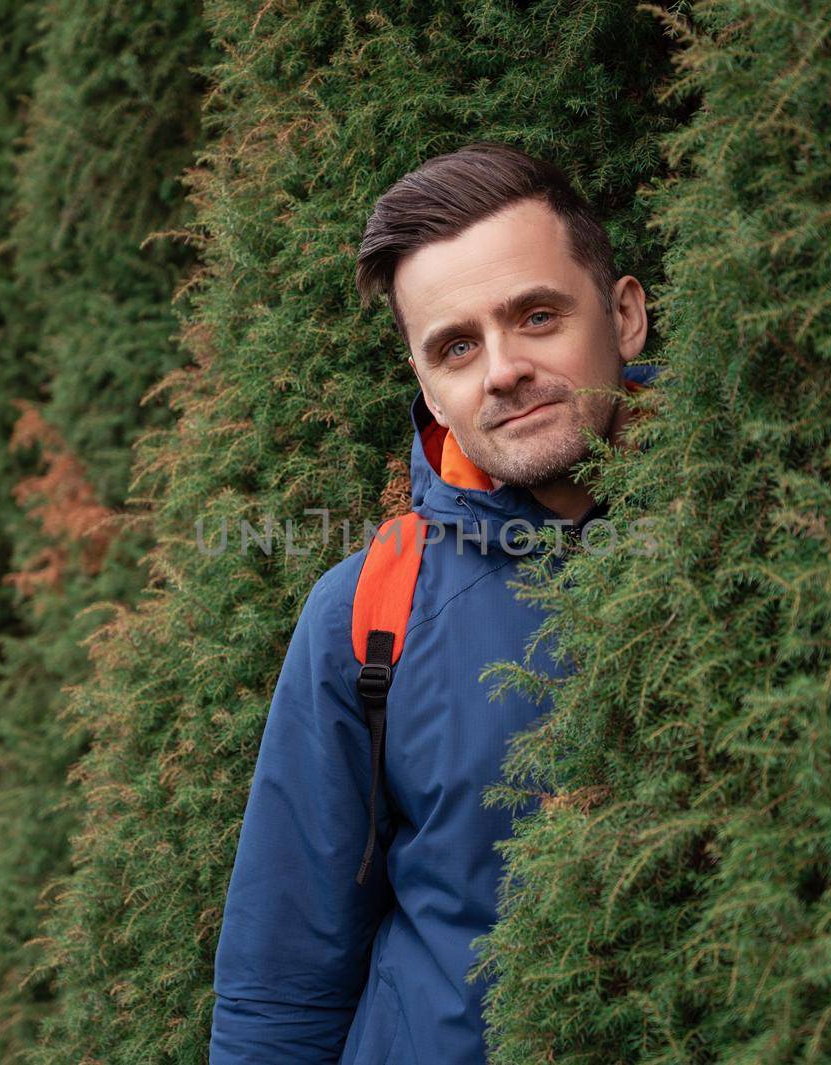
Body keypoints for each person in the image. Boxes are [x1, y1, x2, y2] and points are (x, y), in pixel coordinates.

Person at [208, 141, 658, 1064]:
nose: (501, 369)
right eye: (456, 345)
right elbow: (281, 980)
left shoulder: (762, 532)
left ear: (625, 314)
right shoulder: (368, 611)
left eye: (536, 315)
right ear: (428, 386)